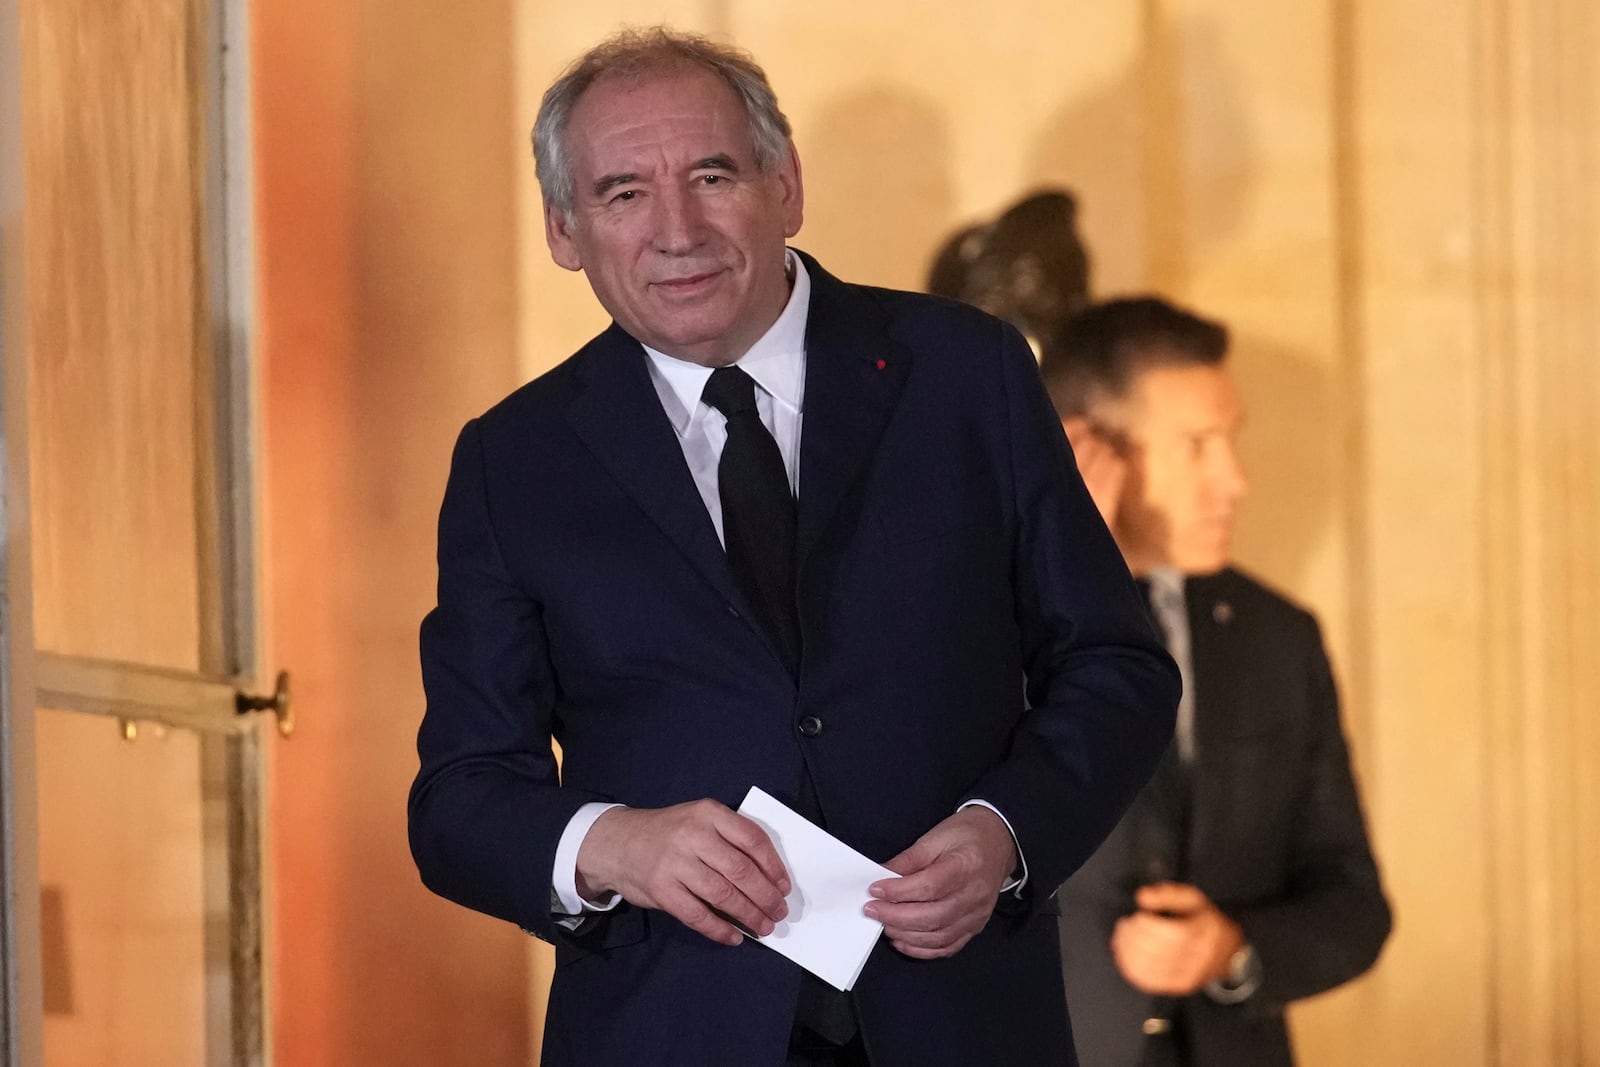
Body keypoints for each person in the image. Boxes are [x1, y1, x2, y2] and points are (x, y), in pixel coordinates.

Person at [406, 27, 1179, 1067]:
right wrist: (610, 843)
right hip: (666, 1028)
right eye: (623, 192)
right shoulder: (515, 460)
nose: (675, 229)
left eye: (711, 174)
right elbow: (458, 799)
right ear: (563, 227)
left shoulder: (966, 373)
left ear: (785, 186)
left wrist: (1006, 830)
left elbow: (1115, 665)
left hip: (963, 1020)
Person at [1041, 297, 1392, 1066]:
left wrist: (1232, 950)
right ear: (1084, 450)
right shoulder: (984, 628)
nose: (1233, 480)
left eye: (1230, 442)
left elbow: (1354, 901)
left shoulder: (1279, 636)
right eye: (1197, 446)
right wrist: (1059, 578)